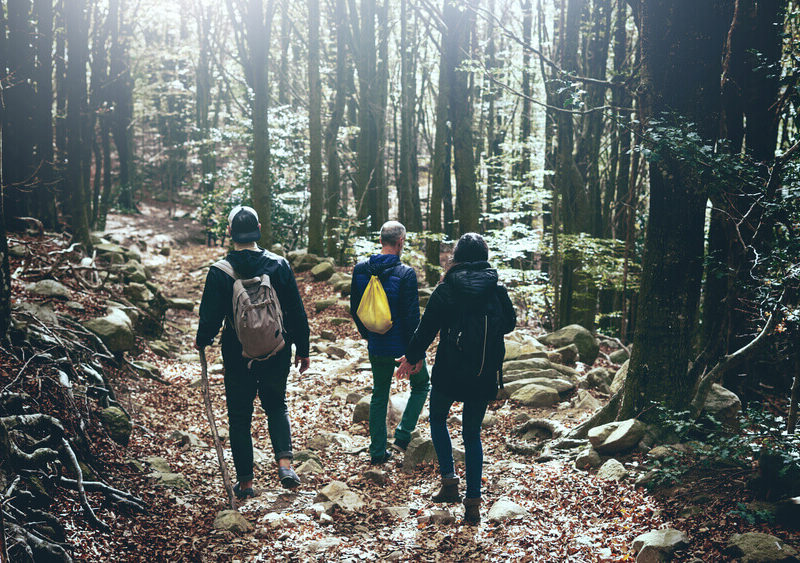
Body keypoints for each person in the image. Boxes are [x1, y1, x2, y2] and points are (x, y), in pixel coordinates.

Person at [396, 233, 515, 524]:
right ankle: (472, 504)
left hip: (449, 371)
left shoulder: (446, 288)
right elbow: (510, 324)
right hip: (483, 372)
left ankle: (449, 482)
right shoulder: (496, 288)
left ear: (457, 257)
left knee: (437, 419)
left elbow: (426, 329)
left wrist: (410, 359)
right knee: (472, 434)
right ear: (484, 255)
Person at [196, 205, 310, 497]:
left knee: (239, 416)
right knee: (276, 405)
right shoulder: (279, 265)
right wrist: (303, 348)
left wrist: (202, 340)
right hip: (277, 347)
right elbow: (296, 312)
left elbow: (209, 317)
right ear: (258, 228)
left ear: (230, 232)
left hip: (238, 353)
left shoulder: (219, 272)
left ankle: (246, 482)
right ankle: (285, 465)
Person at [350, 221, 430, 464]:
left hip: (377, 344)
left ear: (381, 240)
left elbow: (355, 309)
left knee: (379, 394)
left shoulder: (361, 269)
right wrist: (414, 354)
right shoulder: (405, 273)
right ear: (400, 242)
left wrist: (369, 334)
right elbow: (411, 317)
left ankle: (377, 452)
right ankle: (403, 436)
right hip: (403, 348)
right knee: (422, 385)